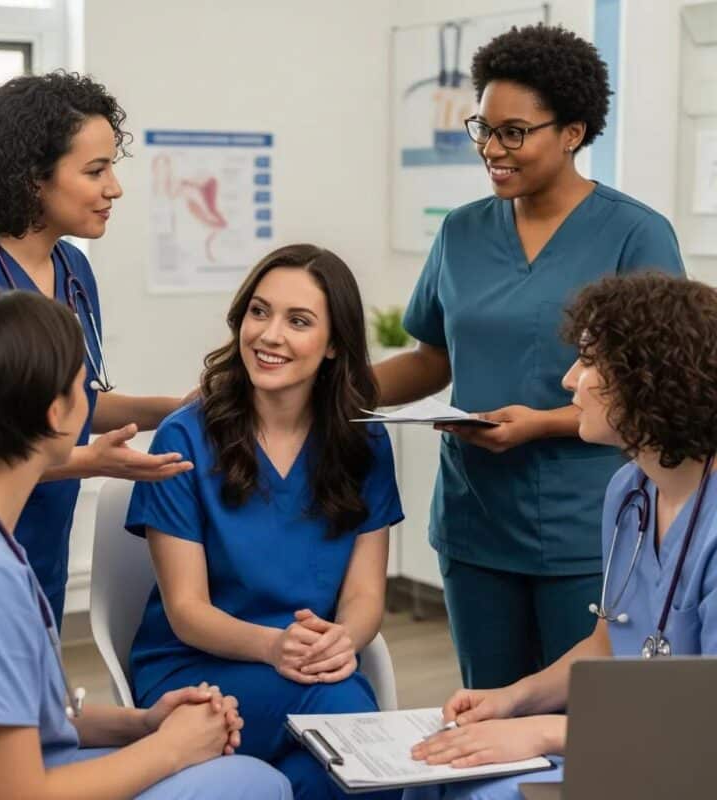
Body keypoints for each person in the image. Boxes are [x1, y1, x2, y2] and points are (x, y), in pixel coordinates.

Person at [374, 23, 685, 689]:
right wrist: (335, 388)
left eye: (513, 132)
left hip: (586, 529)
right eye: (482, 127)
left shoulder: (635, 234)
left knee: (578, 724)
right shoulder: (461, 231)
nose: (492, 147)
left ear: (572, 132)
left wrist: (538, 424)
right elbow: (432, 357)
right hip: (474, 522)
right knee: (487, 707)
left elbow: (661, 391)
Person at [0, 288, 292, 800]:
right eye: (82, 385)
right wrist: (172, 748)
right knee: (254, 783)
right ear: (58, 414)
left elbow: (11, 714)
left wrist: (142, 724)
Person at [403, 271, 717, 799]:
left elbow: (705, 723)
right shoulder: (630, 492)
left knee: (487, 794)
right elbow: (609, 642)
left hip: (693, 762)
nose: (570, 380)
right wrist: (512, 699)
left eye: (590, 361)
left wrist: (542, 731)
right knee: (437, 781)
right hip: (636, 738)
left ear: (651, 377)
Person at [125, 244, 404, 800]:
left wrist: (342, 641)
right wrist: (277, 648)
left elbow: (366, 594)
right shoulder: (184, 436)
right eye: (259, 311)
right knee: (350, 719)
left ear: (333, 347)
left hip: (308, 667)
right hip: (196, 672)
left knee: (315, 774)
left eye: (298, 321)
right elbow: (186, 612)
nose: (269, 335)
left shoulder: (364, 442)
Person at [0, 71, 192, 628]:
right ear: (32, 180)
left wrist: (171, 408)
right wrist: (89, 461)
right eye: (95, 171)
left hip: (39, 545)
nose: (114, 187)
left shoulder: (73, 270)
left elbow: (75, 401)